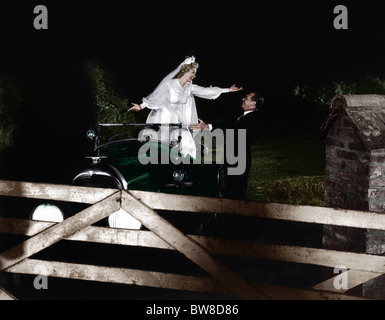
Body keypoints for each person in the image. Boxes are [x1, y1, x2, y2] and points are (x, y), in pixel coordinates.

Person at [128, 56, 242, 158]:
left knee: (182, 138)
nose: (194, 75)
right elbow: (156, 95)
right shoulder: (170, 84)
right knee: (161, 144)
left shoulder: (189, 87)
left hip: (176, 117)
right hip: (162, 116)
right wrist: (141, 106)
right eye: (193, 72)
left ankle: (186, 162)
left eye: (195, 73)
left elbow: (206, 91)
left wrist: (227, 90)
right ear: (185, 71)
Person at [190, 91, 264, 199]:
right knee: (229, 190)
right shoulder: (241, 116)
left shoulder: (253, 119)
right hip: (232, 159)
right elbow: (226, 123)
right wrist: (208, 127)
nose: (243, 99)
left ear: (253, 104)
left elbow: (233, 129)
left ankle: (236, 214)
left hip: (239, 161)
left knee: (237, 193)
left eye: (246, 98)